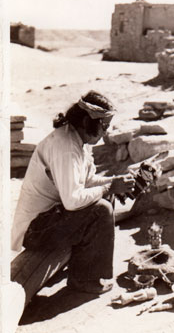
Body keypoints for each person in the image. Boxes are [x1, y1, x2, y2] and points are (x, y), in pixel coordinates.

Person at [11, 91, 135, 295]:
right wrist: (108, 187)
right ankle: (85, 280)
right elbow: (72, 200)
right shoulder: (66, 147)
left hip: (50, 218)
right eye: (104, 126)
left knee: (105, 195)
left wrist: (114, 182)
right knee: (101, 209)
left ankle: (80, 263)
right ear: (88, 121)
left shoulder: (78, 141)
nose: (105, 132)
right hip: (35, 229)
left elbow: (87, 182)